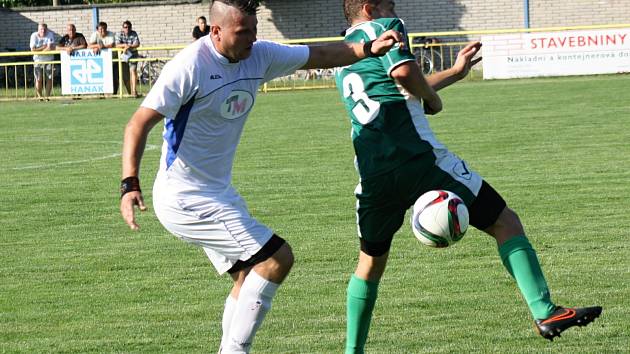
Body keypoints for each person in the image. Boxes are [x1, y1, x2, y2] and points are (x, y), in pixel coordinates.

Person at [119, 0, 401, 353]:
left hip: (218, 193)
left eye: (254, 29)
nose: (252, 38)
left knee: (246, 276)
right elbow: (138, 123)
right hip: (184, 197)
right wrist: (129, 183)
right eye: (243, 32)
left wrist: (367, 48)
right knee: (276, 259)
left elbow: (320, 55)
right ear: (215, 31)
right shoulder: (190, 65)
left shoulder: (259, 55)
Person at [335, 1, 602, 353]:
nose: (395, 8)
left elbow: (398, 91)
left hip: (373, 173)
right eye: (389, 3)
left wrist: (455, 74)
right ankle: (544, 311)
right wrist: (434, 100)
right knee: (504, 221)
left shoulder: (343, 52)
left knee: (369, 265)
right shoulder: (383, 26)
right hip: (418, 158)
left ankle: (353, 351)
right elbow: (403, 75)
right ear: (370, 8)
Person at [89, 21, 119, 94]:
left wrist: (102, 47)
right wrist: (97, 46)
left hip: (113, 59)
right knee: (101, 77)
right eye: (101, 29)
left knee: (114, 77)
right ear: (97, 30)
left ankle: (114, 93)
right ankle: (101, 93)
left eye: (104, 28)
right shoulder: (94, 34)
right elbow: (89, 46)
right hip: (100, 61)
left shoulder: (111, 34)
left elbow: (111, 45)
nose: (103, 30)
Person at [29, 23, 55, 99]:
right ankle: (40, 97)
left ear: (47, 29)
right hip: (37, 60)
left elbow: (50, 47)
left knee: (49, 78)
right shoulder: (34, 35)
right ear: (38, 29)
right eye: (41, 29)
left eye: (44, 29)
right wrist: (44, 47)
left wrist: (39, 50)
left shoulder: (50, 34)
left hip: (49, 59)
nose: (43, 31)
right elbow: (32, 49)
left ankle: (47, 97)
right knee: (38, 79)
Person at [116, 20, 141, 97]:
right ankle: (124, 93)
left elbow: (137, 44)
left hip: (133, 54)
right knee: (124, 75)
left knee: (133, 71)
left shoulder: (134, 33)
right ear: (122, 28)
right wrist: (125, 45)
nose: (127, 28)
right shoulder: (119, 34)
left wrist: (129, 46)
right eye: (125, 27)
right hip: (123, 55)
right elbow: (117, 45)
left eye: (129, 27)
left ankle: (134, 91)